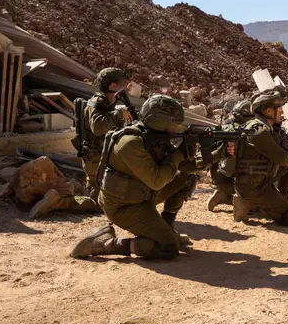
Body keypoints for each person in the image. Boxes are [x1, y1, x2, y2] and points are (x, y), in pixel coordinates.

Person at [70, 95, 232, 260]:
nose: (177, 127)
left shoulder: (154, 137)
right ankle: (105, 243)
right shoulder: (130, 143)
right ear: (160, 122)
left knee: (186, 178)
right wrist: (177, 155)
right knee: (167, 248)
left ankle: (167, 227)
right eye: (173, 123)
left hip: (143, 196)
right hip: (123, 207)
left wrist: (219, 154)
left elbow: (185, 167)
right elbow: (157, 181)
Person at [29, 67, 133, 218]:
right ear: (112, 86)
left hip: (100, 156)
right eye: (123, 84)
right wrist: (118, 114)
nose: (126, 87)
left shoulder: (107, 102)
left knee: (100, 194)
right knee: (100, 203)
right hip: (95, 157)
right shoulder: (97, 103)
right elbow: (98, 127)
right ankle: (58, 202)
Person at [232, 86, 288, 225]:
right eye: (279, 108)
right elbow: (283, 159)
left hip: (260, 180)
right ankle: (248, 203)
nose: (282, 112)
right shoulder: (259, 131)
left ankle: (277, 200)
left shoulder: (267, 128)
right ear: (269, 111)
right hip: (253, 186)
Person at [207, 99, 254, 212]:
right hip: (248, 179)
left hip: (222, 175)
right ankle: (243, 201)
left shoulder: (224, 130)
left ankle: (222, 193)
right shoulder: (256, 132)